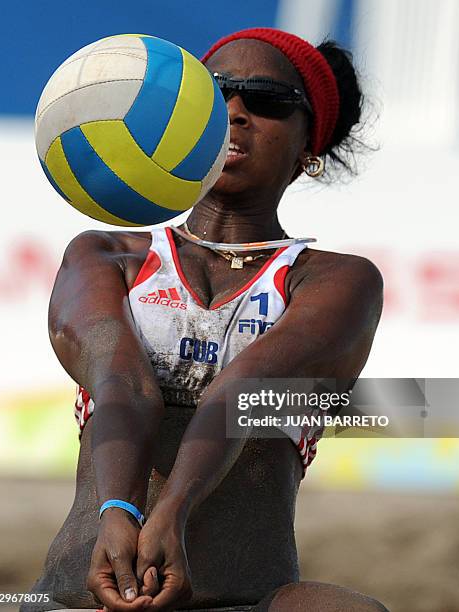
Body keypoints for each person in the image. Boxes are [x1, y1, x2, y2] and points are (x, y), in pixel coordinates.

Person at [23, 27, 387, 612]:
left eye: (267, 100)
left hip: (242, 600)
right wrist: (121, 510)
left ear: (308, 148)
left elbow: (246, 392)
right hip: (77, 597)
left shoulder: (337, 279)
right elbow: (122, 383)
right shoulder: (104, 255)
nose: (236, 113)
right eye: (215, 96)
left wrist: (171, 513)